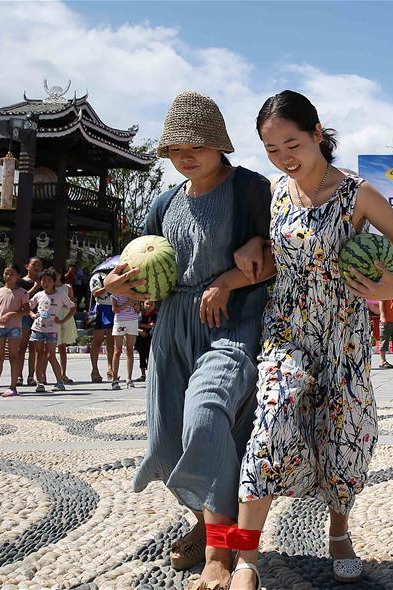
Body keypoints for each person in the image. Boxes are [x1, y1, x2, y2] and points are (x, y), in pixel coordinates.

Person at [231, 90, 393, 590]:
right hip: (286, 331)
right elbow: (262, 246)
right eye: (272, 150)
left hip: (345, 334)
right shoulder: (273, 193)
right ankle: (245, 558)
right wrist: (254, 241)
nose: (284, 158)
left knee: (346, 434)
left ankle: (339, 533)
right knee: (272, 422)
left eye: (292, 144)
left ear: (318, 134)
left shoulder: (356, 193)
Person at [104, 90, 275, 589]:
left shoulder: (251, 189)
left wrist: (246, 256)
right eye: (176, 148)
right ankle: (205, 525)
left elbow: (280, 250)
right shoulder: (163, 202)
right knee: (170, 433)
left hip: (232, 322)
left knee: (206, 415)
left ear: (220, 144)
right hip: (173, 326)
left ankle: (222, 553)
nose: (185, 155)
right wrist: (118, 284)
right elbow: (141, 267)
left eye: (196, 145)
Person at [0, 265, 29, 397]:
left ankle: (13, 386)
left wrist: (12, 314)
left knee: (14, 356)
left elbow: (26, 310)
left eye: (12, 274)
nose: (8, 276)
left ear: (18, 276)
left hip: (14, 327)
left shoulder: (22, 292)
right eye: (6, 273)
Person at [29, 268, 71, 392]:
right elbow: (28, 306)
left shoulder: (61, 295)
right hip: (37, 328)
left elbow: (72, 308)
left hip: (52, 329)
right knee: (39, 354)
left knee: (51, 354)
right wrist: (32, 314)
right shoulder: (39, 295)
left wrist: (63, 320)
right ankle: (39, 383)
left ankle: (59, 382)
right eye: (43, 280)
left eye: (48, 280)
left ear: (54, 281)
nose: (45, 283)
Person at [17, 257, 44, 386]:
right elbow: (22, 297)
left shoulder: (43, 282)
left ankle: (31, 376)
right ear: (27, 266)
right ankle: (18, 376)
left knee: (34, 348)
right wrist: (35, 287)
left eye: (39, 265)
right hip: (25, 315)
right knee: (21, 347)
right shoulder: (21, 282)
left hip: (39, 316)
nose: (37, 267)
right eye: (34, 264)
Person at [89, 269, 116, 383]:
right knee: (97, 341)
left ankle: (111, 368)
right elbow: (95, 293)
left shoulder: (117, 275)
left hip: (113, 308)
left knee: (111, 341)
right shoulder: (97, 277)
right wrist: (108, 287)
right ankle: (95, 370)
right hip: (100, 308)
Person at [110, 293, 139, 389]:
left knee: (130, 350)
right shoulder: (115, 294)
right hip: (120, 321)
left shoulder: (133, 292)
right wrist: (128, 303)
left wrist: (135, 304)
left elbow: (138, 310)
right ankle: (115, 379)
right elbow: (115, 309)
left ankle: (129, 378)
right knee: (117, 350)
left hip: (132, 320)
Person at [55, 271, 78, 384]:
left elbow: (72, 302)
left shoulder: (67, 287)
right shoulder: (49, 288)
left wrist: (65, 303)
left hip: (65, 316)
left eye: (56, 274)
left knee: (62, 346)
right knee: (47, 348)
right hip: (54, 317)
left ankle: (63, 374)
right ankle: (42, 375)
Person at [136, 300, 157, 381]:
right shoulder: (140, 315)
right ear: (143, 304)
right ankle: (143, 374)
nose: (149, 306)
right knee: (142, 356)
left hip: (150, 338)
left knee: (150, 356)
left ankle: (151, 374)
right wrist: (140, 330)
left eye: (151, 304)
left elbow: (152, 325)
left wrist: (140, 325)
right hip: (141, 338)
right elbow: (134, 325)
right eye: (147, 304)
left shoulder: (154, 315)